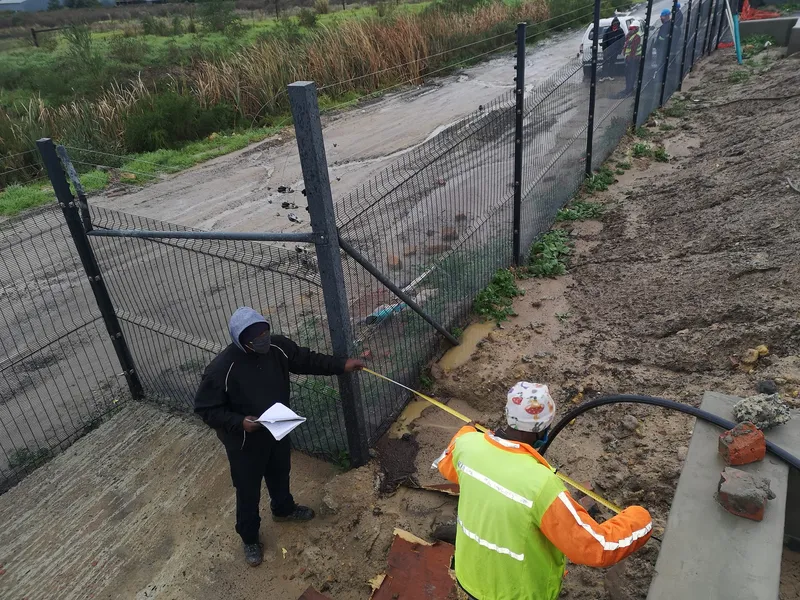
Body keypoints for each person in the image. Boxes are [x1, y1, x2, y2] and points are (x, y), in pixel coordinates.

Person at [434, 382, 652, 600]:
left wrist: (468, 431)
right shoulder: (542, 485)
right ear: (544, 429)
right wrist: (640, 518)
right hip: (518, 594)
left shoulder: (467, 445)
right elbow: (596, 548)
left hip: (471, 579)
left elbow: (447, 465)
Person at [194, 306, 365, 567]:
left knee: (280, 471)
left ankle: (283, 509)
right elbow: (206, 409)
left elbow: (307, 360)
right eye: (256, 338)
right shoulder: (221, 370)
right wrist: (240, 422)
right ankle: (250, 537)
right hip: (244, 442)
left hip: (277, 428)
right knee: (248, 490)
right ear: (241, 341)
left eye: (266, 332)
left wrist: (341, 365)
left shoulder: (278, 348)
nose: (264, 339)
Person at [621, 23, 643, 96]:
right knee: (629, 74)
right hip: (630, 58)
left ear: (636, 28)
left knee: (631, 74)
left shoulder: (637, 36)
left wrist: (630, 58)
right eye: (629, 28)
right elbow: (626, 43)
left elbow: (633, 49)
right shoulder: (631, 35)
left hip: (633, 58)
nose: (630, 30)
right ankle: (629, 88)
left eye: (631, 28)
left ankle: (630, 89)